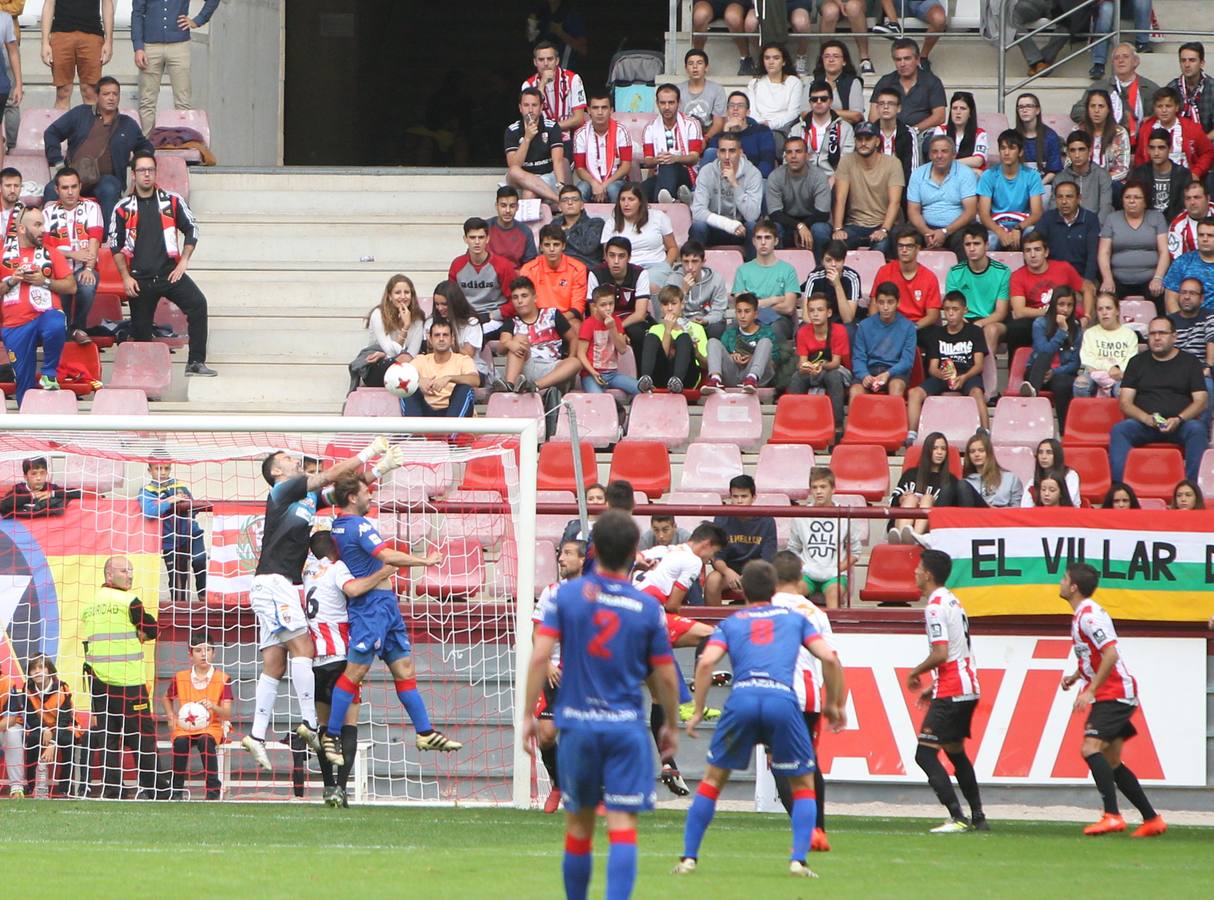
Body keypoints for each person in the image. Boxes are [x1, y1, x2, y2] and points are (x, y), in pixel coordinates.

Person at [524, 510, 680, 900]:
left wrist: (527, 714)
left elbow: (540, 655)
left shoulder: (566, 596)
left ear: (592, 551)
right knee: (622, 826)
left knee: (579, 828)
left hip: (578, 725)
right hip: (625, 726)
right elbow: (665, 676)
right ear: (633, 552)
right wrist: (671, 725)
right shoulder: (647, 607)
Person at [674, 559, 845, 879]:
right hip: (782, 701)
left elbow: (706, 663)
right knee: (803, 783)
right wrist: (835, 704)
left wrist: (698, 710)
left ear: (744, 592)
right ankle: (798, 860)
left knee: (713, 781)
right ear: (773, 588)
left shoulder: (732, 622)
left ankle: (688, 858)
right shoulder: (796, 620)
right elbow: (830, 659)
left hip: (742, 700)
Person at [241, 441, 403, 771]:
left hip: (281, 586)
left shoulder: (306, 499)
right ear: (276, 471)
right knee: (303, 649)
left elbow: (344, 491)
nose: (294, 460)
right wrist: (368, 451)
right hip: (274, 583)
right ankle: (311, 724)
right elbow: (331, 474)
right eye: (287, 458)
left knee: (275, 664)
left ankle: (256, 736)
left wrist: (380, 469)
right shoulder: (282, 491)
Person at [320, 477, 461, 770]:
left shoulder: (339, 524)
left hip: (386, 605)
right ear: (351, 497)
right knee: (356, 671)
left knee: (404, 668)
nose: (371, 497)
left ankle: (425, 732)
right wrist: (425, 562)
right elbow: (386, 556)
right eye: (366, 492)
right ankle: (330, 734)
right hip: (370, 608)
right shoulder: (357, 525)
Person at [1058, 563, 1167, 837]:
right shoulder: (1083, 614)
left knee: (1090, 748)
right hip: (1114, 692)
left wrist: (1091, 690)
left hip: (1114, 693)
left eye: (1064, 579)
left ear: (1074, 587)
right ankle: (1152, 819)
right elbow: (1093, 654)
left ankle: (1112, 815)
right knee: (1111, 761)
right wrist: (1076, 676)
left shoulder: (1089, 616)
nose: (1060, 582)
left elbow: (1111, 654)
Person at [304, 529, 398, 808]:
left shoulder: (308, 572)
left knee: (324, 725)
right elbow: (354, 589)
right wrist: (383, 573)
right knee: (348, 725)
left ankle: (328, 787)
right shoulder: (337, 568)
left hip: (316, 661)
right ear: (335, 548)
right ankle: (341, 790)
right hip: (342, 659)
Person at [109, 150, 214, 375]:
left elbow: (192, 228)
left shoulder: (172, 200)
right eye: (142, 170)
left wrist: (183, 261)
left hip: (169, 273)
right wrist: (125, 277)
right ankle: (144, 375)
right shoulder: (123, 207)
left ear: (156, 173)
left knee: (198, 304)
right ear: (133, 175)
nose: (147, 174)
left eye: (150, 170)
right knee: (141, 332)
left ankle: (195, 362)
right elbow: (115, 245)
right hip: (139, 278)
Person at [906, 548, 987, 833]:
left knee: (925, 754)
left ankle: (957, 817)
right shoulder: (953, 601)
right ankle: (978, 816)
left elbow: (941, 653)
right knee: (955, 751)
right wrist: (933, 686)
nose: (915, 572)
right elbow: (956, 651)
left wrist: (915, 672)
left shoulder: (934, 607)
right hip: (967, 686)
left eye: (918, 568)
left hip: (953, 689)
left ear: (928, 575)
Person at [767, 550, 835, 852]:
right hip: (809, 696)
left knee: (780, 763)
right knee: (809, 762)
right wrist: (835, 700)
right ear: (800, 577)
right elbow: (831, 659)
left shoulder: (765, 608)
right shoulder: (816, 613)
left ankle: (804, 828)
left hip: (778, 693)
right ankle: (819, 829)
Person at [81, 556, 165, 799]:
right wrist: (141, 634)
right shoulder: (129, 601)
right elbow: (153, 629)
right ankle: (156, 789)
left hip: (99, 682)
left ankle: (113, 789)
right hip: (129, 683)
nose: (130, 575)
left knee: (108, 739)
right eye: (124, 571)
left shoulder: (90, 604)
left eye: (131, 570)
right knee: (142, 738)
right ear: (109, 575)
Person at [43, 77, 153, 233]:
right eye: (106, 94)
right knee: (50, 189)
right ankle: (49, 237)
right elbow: (51, 133)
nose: (111, 98)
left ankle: (109, 240)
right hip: (74, 175)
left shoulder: (128, 124)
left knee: (110, 189)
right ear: (97, 96)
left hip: (105, 179)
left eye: (115, 94)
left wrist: (139, 165)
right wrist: (58, 162)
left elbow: (145, 147)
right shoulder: (80, 113)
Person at [1109, 316, 1209, 482]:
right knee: (1120, 430)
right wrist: (1145, 418)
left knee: (1197, 429)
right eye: (1152, 333)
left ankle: (1191, 488)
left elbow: (1201, 401)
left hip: (1180, 425)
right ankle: (1122, 489)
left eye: (1162, 333)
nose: (1156, 337)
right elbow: (1125, 402)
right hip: (1145, 425)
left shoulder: (1190, 362)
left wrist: (1179, 419)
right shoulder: (1136, 362)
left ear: (1174, 336)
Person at [530, 537, 584, 813]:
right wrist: (547, 664)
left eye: (568, 554)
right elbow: (537, 632)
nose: (561, 559)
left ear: (583, 560)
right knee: (547, 734)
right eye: (561, 554)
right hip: (553, 672)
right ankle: (559, 783)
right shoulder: (551, 592)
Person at [0, 207, 76, 402]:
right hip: (15, 325)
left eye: (43, 224)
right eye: (37, 225)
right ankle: (27, 420)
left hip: (45, 314)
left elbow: (71, 287)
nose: (44, 229)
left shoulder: (52, 253)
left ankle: (49, 373)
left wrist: (45, 281)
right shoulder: (3, 255)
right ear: (22, 229)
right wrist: (12, 280)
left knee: (56, 322)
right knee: (24, 387)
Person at [906, 290, 989, 444]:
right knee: (914, 393)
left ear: (965, 310)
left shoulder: (975, 332)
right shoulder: (937, 333)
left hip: (967, 374)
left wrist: (963, 377)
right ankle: (912, 434)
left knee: (977, 393)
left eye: (955, 309)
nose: (951, 313)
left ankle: (985, 432)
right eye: (947, 309)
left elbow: (979, 365)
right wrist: (941, 374)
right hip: (943, 376)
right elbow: (932, 368)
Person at [132, 0, 220, 133]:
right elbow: (137, 13)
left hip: (179, 44)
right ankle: (145, 143)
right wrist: (138, 47)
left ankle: (183, 140)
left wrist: (198, 20)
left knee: (183, 101)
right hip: (150, 46)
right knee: (147, 101)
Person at [162, 633, 231, 800]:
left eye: (208, 650)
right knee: (180, 742)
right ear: (190, 654)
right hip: (185, 727)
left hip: (211, 726)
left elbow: (227, 713)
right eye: (198, 650)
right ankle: (176, 791)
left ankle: (213, 791)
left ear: (214, 653)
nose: (203, 654)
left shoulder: (223, 678)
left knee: (205, 741)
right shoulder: (181, 677)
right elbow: (166, 697)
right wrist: (171, 716)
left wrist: (213, 706)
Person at [41, 167, 102, 344]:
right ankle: (67, 335)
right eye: (65, 187)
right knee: (62, 310)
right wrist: (71, 254)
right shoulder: (47, 213)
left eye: (74, 187)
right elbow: (45, 249)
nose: (70, 192)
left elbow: (95, 240)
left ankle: (78, 327)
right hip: (58, 272)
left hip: (84, 268)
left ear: (80, 186)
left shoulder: (92, 207)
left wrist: (89, 268)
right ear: (56, 189)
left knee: (87, 284)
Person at [1008, 230, 1089, 361]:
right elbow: (1019, 311)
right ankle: (1016, 369)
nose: (1032, 255)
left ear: (1046, 252)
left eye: (1037, 249)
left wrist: (1087, 315)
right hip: (1036, 319)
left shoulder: (1063, 268)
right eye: (1028, 251)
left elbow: (1087, 289)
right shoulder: (1017, 276)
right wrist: (1050, 312)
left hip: (1065, 317)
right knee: (1016, 328)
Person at [788, 469, 862, 609]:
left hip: (834, 576)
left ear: (833, 489)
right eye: (814, 487)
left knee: (833, 594)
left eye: (823, 487)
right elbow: (793, 549)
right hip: (807, 574)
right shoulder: (800, 516)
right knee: (792, 593)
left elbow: (856, 551)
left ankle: (833, 623)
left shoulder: (845, 516)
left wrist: (838, 568)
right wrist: (804, 566)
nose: (818, 492)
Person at [4, 655, 75, 799]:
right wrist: (44, 730)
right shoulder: (27, 688)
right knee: (33, 739)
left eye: (41, 667)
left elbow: (65, 719)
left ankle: (65, 788)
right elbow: (30, 717)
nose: (37, 671)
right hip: (40, 728)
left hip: (61, 727)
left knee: (69, 741)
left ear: (49, 670)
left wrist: (53, 741)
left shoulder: (62, 687)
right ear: (29, 673)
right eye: (33, 669)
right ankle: (32, 785)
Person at [496, 276, 582, 396]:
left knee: (575, 362)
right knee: (519, 339)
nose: (519, 301)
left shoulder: (552, 314)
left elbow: (573, 338)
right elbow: (502, 346)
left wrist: (570, 357)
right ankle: (509, 386)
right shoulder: (512, 322)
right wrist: (511, 343)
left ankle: (535, 386)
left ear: (535, 297)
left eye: (524, 296)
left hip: (553, 368)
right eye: (515, 297)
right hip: (526, 367)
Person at [830, 121, 904, 255]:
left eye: (868, 138)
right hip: (854, 225)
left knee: (881, 247)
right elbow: (840, 198)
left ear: (877, 141)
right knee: (837, 246)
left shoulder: (893, 163)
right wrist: (838, 229)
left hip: (883, 224)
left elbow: (895, 202)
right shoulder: (846, 161)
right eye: (859, 139)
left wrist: (884, 230)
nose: (863, 143)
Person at [139, 459, 207, 603]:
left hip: (192, 533)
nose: (163, 472)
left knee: (200, 560)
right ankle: (178, 605)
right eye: (158, 469)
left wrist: (185, 504)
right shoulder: (147, 491)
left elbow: (194, 507)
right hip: (170, 541)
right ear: (150, 470)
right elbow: (149, 511)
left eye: (166, 468)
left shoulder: (179, 486)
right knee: (178, 579)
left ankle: (203, 595)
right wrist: (169, 501)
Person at [1098, 180, 1169, 313]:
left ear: (1145, 201)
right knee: (1106, 300)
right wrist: (1107, 279)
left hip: (1150, 279)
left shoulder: (1157, 217)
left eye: (1137, 197)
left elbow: (1164, 251)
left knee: (1160, 296)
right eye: (1127, 197)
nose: (1131, 201)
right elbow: (1104, 252)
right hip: (1118, 280)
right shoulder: (1112, 219)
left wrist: (1158, 278)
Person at [689, 132, 763, 259]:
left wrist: (735, 184)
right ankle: (693, 268)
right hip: (714, 227)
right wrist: (728, 225)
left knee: (753, 227)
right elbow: (698, 212)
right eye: (723, 151)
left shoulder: (753, 174)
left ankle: (753, 269)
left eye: (732, 151)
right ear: (717, 153)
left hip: (741, 229)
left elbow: (752, 215)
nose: (727, 156)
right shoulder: (707, 172)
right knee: (698, 227)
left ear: (740, 153)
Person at [945, 223, 1012, 362]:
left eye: (976, 244)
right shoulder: (954, 272)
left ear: (986, 245)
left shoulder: (1003, 272)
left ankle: (987, 371)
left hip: (991, 320)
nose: (972, 248)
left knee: (991, 330)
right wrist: (966, 325)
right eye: (967, 244)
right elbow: (952, 307)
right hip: (963, 319)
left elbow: (1001, 313)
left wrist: (978, 324)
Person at [705, 475, 777, 605]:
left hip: (757, 571)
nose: (739, 501)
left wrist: (750, 576)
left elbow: (768, 559)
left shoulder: (767, 521)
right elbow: (717, 557)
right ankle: (715, 618)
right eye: (735, 496)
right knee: (712, 580)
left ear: (753, 497)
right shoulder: (721, 518)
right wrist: (728, 572)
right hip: (728, 571)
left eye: (744, 496)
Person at [907, 134, 979, 258]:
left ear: (953, 155)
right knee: (901, 235)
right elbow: (913, 211)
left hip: (957, 228)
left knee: (966, 240)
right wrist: (927, 233)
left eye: (944, 151)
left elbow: (970, 211)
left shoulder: (966, 173)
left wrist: (945, 232)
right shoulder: (918, 174)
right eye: (934, 152)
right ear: (930, 155)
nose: (939, 156)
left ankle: (962, 272)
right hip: (926, 227)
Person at [348, 274, 424, 392]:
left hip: (405, 366)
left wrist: (386, 355)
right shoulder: (378, 314)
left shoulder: (418, 318)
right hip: (376, 367)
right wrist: (406, 326)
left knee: (413, 360)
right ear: (389, 296)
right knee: (404, 359)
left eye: (407, 292)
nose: (403, 297)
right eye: (397, 293)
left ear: (412, 295)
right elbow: (391, 351)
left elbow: (412, 355)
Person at [1021, 285, 1083, 426]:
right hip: (1037, 370)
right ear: (1054, 304)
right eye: (1061, 304)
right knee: (1040, 361)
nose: (1065, 309)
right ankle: (1033, 390)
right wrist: (1062, 332)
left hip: (1060, 374)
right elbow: (1044, 351)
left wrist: (1054, 372)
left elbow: (1075, 364)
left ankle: (1064, 430)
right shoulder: (1040, 323)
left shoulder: (1076, 328)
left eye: (1069, 305)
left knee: (1062, 384)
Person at [1072, 43, 1160, 143]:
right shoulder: (1099, 87)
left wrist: (1150, 120)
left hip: (1141, 143)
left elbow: (1162, 114)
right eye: (1116, 58)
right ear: (1112, 63)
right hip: (1107, 143)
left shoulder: (1149, 88)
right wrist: (1100, 114)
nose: (1120, 61)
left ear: (1136, 61)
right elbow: (1076, 112)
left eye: (1125, 57)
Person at [731, 219, 800, 340]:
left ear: (776, 241)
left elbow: (788, 307)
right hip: (750, 318)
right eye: (759, 238)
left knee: (774, 329)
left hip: (778, 320)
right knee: (733, 327)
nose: (763, 242)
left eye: (767, 238)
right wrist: (774, 300)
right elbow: (741, 305)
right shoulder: (742, 270)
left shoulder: (788, 270)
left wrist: (756, 305)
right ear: (753, 241)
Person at [789, 292, 852, 426]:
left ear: (829, 313)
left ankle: (837, 425)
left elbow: (836, 363)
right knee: (796, 377)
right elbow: (802, 362)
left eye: (820, 310)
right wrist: (806, 367)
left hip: (836, 370)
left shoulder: (839, 331)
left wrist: (821, 366)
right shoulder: (803, 332)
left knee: (833, 376)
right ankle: (793, 422)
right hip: (812, 370)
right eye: (811, 310)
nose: (815, 314)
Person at [977, 130, 1046, 250]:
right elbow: (984, 215)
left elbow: (1037, 213)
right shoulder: (988, 175)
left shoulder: (1032, 176)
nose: (1006, 153)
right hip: (996, 225)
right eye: (1003, 148)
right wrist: (1000, 232)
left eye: (1011, 148)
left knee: (1032, 234)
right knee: (990, 240)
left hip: (1022, 224)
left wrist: (1018, 228)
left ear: (1021, 152)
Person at [766, 135, 833, 256]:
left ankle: (820, 265)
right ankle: (777, 266)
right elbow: (774, 214)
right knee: (774, 228)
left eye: (798, 151)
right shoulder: (775, 177)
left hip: (814, 221)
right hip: (786, 223)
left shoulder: (818, 176)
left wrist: (803, 226)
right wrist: (799, 226)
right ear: (785, 156)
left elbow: (823, 214)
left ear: (807, 155)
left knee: (820, 229)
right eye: (789, 152)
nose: (793, 156)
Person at [890, 432, 963, 543]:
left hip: (930, 530)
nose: (939, 452)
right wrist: (901, 499)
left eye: (943, 449)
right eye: (935, 448)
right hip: (900, 523)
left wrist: (933, 503)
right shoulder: (910, 474)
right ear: (927, 450)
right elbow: (891, 502)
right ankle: (902, 537)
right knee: (911, 499)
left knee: (927, 498)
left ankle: (915, 538)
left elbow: (951, 512)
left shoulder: (951, 481)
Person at [849, 280, 916, 400]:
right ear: (876, 302)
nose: (885, 307)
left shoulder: (908, 327)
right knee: (855, 391)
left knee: (896, 386)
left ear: (898, 302)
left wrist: (888, 373)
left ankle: (894, 413)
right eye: (881, 302)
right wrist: (864, 375)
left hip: (895, 372)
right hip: (869, 370)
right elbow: (858, 357)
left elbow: (907, 361)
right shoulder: (864, 326)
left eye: (890, 302)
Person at [40, 0, 112, 109]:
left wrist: (109, 41)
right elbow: (49, 4)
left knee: (90, 92)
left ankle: (91, 120)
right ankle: (62, 120)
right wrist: (45, 42)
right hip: (61, 34)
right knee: (63, 91)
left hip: (92, 34)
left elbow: (107, 4)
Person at [640, 83, 703, 206]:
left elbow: (694, 158)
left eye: (671, 103)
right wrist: (658, 159)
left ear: (678, 103)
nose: (667, 107)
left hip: (686, 174)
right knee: (639, 191)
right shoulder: (650, 128)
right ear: (657, 103)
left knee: (668, 166)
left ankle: (664, 206)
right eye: (663, 103)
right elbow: (648, 161)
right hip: (660, 175)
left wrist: (675, 158)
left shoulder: (691, 124)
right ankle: (670, 201)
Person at [1133, 87, 1214, 182]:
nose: (1164, 110)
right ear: (1154, 108)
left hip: (1186, 181)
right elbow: (1139, 158)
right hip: (1153, 181)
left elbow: (1208, 153)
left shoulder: (1192, 128)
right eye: (1159, 106)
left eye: (1168, 106)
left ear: (1177, 107)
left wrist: (1196, 172)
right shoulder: (1146, 128)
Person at [449, 216, 516, 331]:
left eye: (481, 237)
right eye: (472, 237)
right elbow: (452, 298)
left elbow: (515, 299)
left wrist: (494, 314)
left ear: (487, 239)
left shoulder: (503, 265)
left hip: (494, 318)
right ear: (465, 239)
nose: (477, 242)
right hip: (466, 318)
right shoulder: (457, 265)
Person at [637, 284, 707, 394]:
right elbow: (662, 358)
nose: (670, 308)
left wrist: (696, 352)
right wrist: (668, 330)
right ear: (661, 307)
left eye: (674, 304)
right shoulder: (655, 329)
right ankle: (645, 379)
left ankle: (677, 380)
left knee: (684, 337)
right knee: (651, 337)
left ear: (682, 305)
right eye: (665, 304)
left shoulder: (697, 328)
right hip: (661, 375)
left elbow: (706, 365)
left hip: (688, 376)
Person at [703, 292, 777, 393]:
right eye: (739, 311)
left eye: (747, 311)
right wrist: (732, 356)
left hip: (758, 377)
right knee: (713, 342)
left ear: (756, 314)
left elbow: (773, 364)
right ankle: (715, 379)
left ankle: (752, 379)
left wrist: (754, 358)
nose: (742, 316)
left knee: (765, 342)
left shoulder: (767, 332)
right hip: (733, 375)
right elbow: (720, 357)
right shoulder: (730, 332)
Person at [402, 319, 478, 418]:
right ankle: (415, 428)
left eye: (445, 335)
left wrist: (449, 378)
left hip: (454, 411)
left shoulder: (463, 360)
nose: (441, 339)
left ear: (452, 339)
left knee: (464, 389)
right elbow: (400, 376)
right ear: (430, 339)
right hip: (425, 412)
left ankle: (451, 428)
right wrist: (418, 381)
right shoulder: (420, 360)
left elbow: (475, 380)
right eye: (437, 335)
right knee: (407, 387)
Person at [873, 227, 942, 335]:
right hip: (889, 326)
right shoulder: (884, 272)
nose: (904, 250)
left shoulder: (929, 277)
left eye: (909, 246)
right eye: (900, 246)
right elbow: (874, 307)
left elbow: (932, 316)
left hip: (918, 327)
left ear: (918, 248)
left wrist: (911, 328)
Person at [867, 37, 946, 132]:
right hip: (890, 133)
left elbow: (939, 116)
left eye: (907, 58)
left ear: (917, 59)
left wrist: (913, 131)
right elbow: (873, 116)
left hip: (922, 133)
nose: (902, 64)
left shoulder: (932, 81)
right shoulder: (885, 82)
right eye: (898, 59)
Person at [504, 87, 567, 206]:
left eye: (534, 105)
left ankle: (556, 199)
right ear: (520, 108)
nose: (530, 110)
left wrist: (561, 187)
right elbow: (514, 165)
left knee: (529, 193)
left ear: (541, 107)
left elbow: (558, 161)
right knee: (513, 171)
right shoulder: (512, 130)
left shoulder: (552, 127)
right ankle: (558, 200)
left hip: (546, 175)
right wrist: (527, 138)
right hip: (519, 177)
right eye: (526, 105)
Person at [587, 235, 651, 349]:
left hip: (632, 321)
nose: (616, 261)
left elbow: (640, 314)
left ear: (629, 258)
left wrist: (617, 329)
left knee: (638, 334)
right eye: (612, 256)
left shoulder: (640, 274)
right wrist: (614, 330)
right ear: (605, 256)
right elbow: (594, 311)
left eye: (621, 256)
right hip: (604, 321)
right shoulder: (595, 274)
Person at [600, 184, 678, 277]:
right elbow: (608, 255)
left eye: (631, 199)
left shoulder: (659, 217)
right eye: (622, 199)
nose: (626, 204)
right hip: (626, 269)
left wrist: (665, 267)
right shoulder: (611, 223)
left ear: (640, 201)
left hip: (657, 266)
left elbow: (673, 248)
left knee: (652, 283)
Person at [1167, 276, 1214, 424]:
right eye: (1183, 292)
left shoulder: (1210, 317)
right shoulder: (1169, 322)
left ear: (1201, 298)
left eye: (1192, 293)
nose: (1187, 297)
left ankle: (1201, 433)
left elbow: (1211, 342)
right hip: (1173, 372)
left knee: (1207, 386)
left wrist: (1208, 367)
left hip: (1200, 372)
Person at [1074, 291, 1139, 398]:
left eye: (1108, 308)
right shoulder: (1090, 333)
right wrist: (1110, 368)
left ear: (1117, 311)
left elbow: (1130, 362)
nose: (1104, 312)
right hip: (1093, 374)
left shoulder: (1129, 335)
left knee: (1122, 390)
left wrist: (1117, 372)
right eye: (1100, 309)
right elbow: (1087, 361)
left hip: (1120, 375)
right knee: (1081, 384)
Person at [522, 39, 586, 146]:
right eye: (541, 60)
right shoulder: (527, 85)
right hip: (540, 140)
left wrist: (552, 129)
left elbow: (579, 119)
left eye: (550, 59)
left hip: (569, 139)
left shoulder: (573, 79)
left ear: (557, 61)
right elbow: (530, 121)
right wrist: (541, 85)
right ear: (535, 62)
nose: (546, 63)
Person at [578, 283, 638, 395]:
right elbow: (580, 353)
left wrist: (612, 328)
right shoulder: (588, 323)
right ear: (595, 306)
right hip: (591, 375)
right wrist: (593, 372)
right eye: (603, 305)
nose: (608, 308)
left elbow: (622, 349)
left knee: (640, 389)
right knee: (599, 397)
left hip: (612, 374)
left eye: (611, 304)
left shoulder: (616, 321)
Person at [786, 82, 854, 181]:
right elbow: (787, 158)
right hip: (803, 179)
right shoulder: (797, 129)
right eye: (814, 99)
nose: (818, 102)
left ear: (830, 101)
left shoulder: (845, 128)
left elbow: (847, 162)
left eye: (823, 99)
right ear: (810, 103)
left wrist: (834, 179)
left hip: (834, 179)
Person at [425, 281, 489, 385]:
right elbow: (430, 356)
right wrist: (430, 345)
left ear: (454, 303)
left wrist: (452, 344)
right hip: (438, 368)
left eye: (444, 304)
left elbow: (468, 355)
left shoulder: (471, 323)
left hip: (469, 370)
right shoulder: (430, 323)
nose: (440, 308)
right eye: (437, 304)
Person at [573, 90, 632, 203]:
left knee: (613, 189)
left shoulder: (621, 131)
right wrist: (594, 184)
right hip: (590, 181)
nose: (600, 112)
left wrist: (604, 185)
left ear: (611, 110)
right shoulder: (580, 134)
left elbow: (626, 166)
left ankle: (617, 215)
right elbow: (580, 168)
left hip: (616, 181)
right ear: (588, 110)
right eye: (595, 108)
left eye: (604, 108)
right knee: (580, 191)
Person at [519, 223, 588, 318]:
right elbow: (526, 303)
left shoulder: (578, 268)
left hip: (567, 318)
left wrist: (557, 320)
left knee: (575, 325)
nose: (552, 249)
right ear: (541, 247)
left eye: (556, 245)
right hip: (538, 319)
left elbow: (578, 305)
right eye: (547, 245)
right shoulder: (528, 269)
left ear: (563, 246)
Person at [702, 92, 777, 178]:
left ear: (748, 112)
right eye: (732, 105)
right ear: (727, 111)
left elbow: (767, 164)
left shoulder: (761, 131)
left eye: (740, 106)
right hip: (723, 180)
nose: (735, 108)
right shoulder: (718, 137)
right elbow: (712, 166)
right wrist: (727, 132)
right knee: (710, 152)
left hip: (753, 179)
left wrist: (744, 180)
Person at [666, 239, 728, 339]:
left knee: (718, 326)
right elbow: (670, 311)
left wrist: (706, 320)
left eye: (694, 261)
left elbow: (719, 310)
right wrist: (683, 292)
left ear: (703, 262)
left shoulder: (716, 279)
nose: (690, 267)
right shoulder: (673, 280)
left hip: (706, 322)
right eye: (686, 261)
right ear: (681, 261)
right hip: (682, 323)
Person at [746, 43, 802, 146]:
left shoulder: (794, 82)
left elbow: (793, 113)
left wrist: (770, 125)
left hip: (783, 129)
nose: (771, 62)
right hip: (757, 127)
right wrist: (761, 125)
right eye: (767, 58)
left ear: (784, 61)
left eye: (776, 58)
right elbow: (751, 111)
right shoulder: (754, 83)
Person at [1129, 128, 1191, 222]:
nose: (1156, 153)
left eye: (1161, 148)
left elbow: (1184, 206)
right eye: (1152, 148)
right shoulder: (1139, 173)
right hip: (1145, 223)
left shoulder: (1183, 174)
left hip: (1175, 223)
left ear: (1170, 149)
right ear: (1148, 150)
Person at [800, 239, 863, 326]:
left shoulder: (852, 277)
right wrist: (823, 329)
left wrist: (837, 285)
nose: (833, 264)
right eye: (828, 260)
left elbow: (848, 319)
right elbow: (806, 316)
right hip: (819, 321)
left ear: (843, 261)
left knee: (850, 329)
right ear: (822, 261)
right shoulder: (814, 277)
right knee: (803, 329)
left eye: (837, 260)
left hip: (842, 322)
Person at [1055, 131, 1114, 221]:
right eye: (1072, 150)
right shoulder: (1060, 178)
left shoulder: (1102, 176)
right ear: (1068, 153)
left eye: (1081, 149)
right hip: (1067, 226)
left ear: (1090, 151)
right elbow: (1054, 210)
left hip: (1095, 225)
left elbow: (1105, 208)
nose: (1077, 155)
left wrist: (1095, 227)